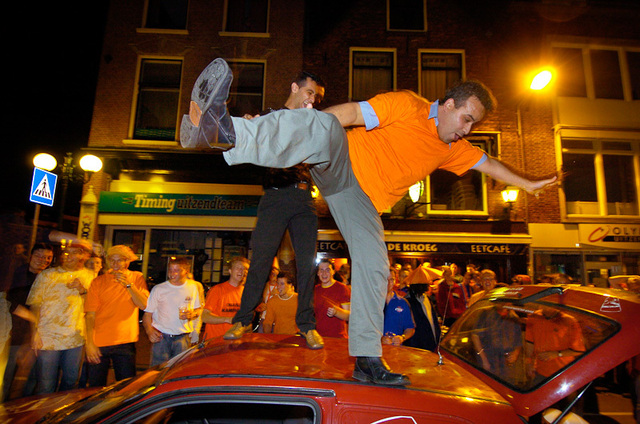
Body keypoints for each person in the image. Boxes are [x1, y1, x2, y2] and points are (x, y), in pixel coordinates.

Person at [181, 57, 557, 386]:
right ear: (447, 104)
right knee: (324, 126)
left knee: (377, 266)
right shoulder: (407, 105)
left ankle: (366, 358)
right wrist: (293, 130)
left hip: (359, 202)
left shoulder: (454, 149)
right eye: (465, 118)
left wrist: (529, 182)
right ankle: (226, 132)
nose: (466, 130)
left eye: (472, 125)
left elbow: (488, 164)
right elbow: (349, 115)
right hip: (341, 164)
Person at [223, 72, 325, 350]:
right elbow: (247, 135)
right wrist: (245, 127)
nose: (312, 100)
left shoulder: (313, 123)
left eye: (316, 97)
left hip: (304, 199)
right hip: (274, 198)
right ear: (295, 87)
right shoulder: (270, 117)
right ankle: (242, 320)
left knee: (307, 264)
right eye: (309, 93)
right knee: (261, 261)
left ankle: (307, 326)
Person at [26, 240, 94, 394]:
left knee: (71, 381)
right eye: (65, 252)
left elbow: (95, 307)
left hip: (75, 337)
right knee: (46, 384)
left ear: (82, 256)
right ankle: (43, 415)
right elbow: (35, 304)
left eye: (73, 253)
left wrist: (82, 290)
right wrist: (34, 332)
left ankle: (60, 413)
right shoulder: (47, 275)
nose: (68, 256)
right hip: (48, 337)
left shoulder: (90, 276)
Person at [84, 245, 149, 387]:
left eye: (120, 260)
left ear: (127, 262)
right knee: (96, 388)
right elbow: (90, 315)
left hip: (125, 341)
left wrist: (128, 285)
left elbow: (144, 305)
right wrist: (89, 343)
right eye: (112, 260)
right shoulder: (98, 282)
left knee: (126, 388)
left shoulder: (136, 278)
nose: (115, 264)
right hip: (99, 342)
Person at [3, 243, 54, 400]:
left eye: (48, 258)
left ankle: (24, 408)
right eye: (39, 255)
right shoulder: (18, 274)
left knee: (32, 377)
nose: (43, 260)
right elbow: (13, 304)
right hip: (16, 333)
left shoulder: (48, 278)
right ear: (31, 256)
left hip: (39, 334)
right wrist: (35, 320)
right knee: (8, 375)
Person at [143, 257, 203, 366]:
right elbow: (147, 314)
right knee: (157, 371)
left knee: (179, 371)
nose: (172, 273)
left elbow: (198, 310)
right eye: (170, 270)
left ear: (186, 271)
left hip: (183, 337)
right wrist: (149, 331)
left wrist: (193, 314)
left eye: (177, 270)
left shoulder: (193, 287)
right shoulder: (159, 289)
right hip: (161, 337)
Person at [525, 306, 585, 386]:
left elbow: (578, 350)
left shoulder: (569, 321)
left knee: (567, 397)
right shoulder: (534, 317)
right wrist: (529, 363)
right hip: (541, 371)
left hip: (564, 372)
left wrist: (557, 354)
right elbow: (529, 342)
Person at [202, 257, 249, 340]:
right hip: (215, 341)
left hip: (235, 341)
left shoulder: (246, 293)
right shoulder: (217, 290)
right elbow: (205, 316)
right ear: (230, 271)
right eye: (238, 268)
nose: (242, 271)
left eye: (244, 269)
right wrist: (228, 319)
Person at [314, 259, 351, 339]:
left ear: (333, 272)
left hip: (338, 338)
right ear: (318, 273)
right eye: (321, 270)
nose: (324, 273)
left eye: (328, 270)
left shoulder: (342, 288)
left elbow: (349, 316)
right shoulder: (315, 290)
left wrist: (336, 312)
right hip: (319, 338)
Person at [382, 268, 415, 346]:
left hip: (395, 350)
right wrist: (380, 339)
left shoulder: (402, 302)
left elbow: (410, 328)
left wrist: (402, 337)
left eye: (391, 279)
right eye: (385, 279)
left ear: (395, 281)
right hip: (376, 350)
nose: (388, 283)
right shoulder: (373, 302)